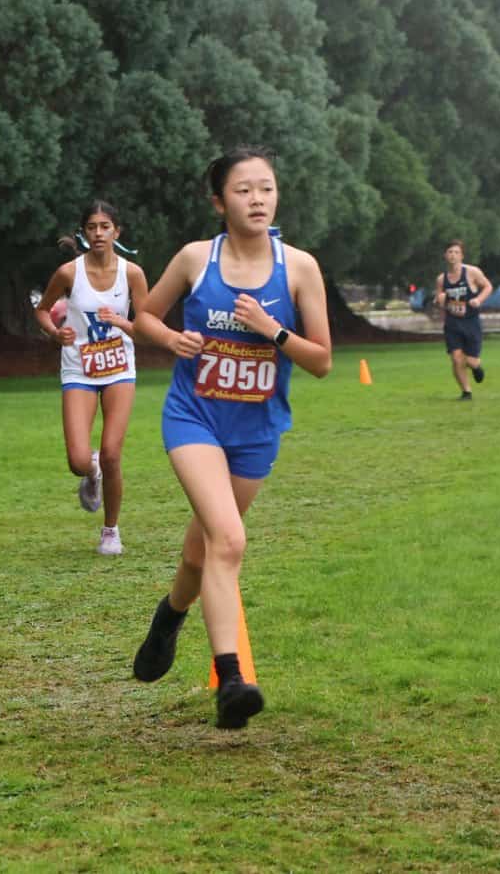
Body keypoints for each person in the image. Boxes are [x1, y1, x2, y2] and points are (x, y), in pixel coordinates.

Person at [128, 147, 331, 729]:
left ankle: (169, 617)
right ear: (220, 202)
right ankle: (232, 680)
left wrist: (274, 331)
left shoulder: (300, 268)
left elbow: (321, 362)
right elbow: (147, 314)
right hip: (194, 419)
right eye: (243, 190)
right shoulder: (197, 259)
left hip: (256, 432)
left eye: (266, 188)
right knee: (230, 539)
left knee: (205, 551)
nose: (257, 199)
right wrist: (170, 340)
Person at [33, 201, 149, 556]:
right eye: (92, 227)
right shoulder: (69, 273)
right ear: (84, 233)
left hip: (118, 368)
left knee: (113, 453)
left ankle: (111, 531)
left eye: (105, 226)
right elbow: (40, 311)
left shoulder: (132, 274)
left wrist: (122, 324)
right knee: (77, 461)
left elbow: (145, 327)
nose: (99, 233)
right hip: (79, 369)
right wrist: (56, 333)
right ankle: (91, 469)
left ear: (117, 231)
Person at [434, 240, 493, 400]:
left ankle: (476, 367)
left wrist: (479, 300)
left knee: (471, 361)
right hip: (452, 323)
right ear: (445, 255)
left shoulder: (472, 272)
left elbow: (488, 286)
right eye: (450, 252)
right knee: (456, 358)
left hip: (471, 322)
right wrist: (440, 299)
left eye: (456, 252)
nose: (453, 255)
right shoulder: (441, 279)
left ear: (462, 255)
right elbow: (439, 301)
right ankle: (466, 392)